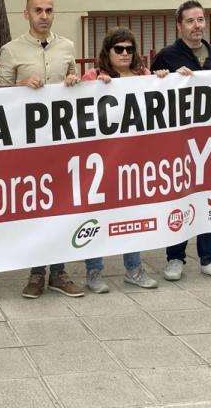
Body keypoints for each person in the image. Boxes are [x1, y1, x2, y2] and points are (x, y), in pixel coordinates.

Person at [0, 0, 85, 299]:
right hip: (28, 143)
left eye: (49, 10)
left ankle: (58, 272)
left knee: (61, 205)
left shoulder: (67, 46)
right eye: (38, 10)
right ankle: (36, 272)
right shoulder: (11, 50)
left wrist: (73, 81)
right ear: (27, 14)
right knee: (35, 206)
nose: (44, 16)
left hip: (60, 141)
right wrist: (19, 85)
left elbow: (74, 81)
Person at [150, 0, 211, 282]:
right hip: (178, 143)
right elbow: (150, 93)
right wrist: (163, 77)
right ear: (179, 26)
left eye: (200, 20)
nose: (197, 26)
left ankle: (210, 258)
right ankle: (175, 257)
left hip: (208, 142)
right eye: (190, 21)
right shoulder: (167, 56)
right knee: (179, 197)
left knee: (207, 197)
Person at [80, 28, 165, 292]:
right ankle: (94, 272)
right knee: (96, 214)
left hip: (134, 160)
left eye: (130, 49)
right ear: (108, 52)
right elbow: (77, 106)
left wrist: (167, 79)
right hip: (102, 159)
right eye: (119, 49)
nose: (125, 53)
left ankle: (134, 269)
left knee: (132, 215)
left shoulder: (144, 76)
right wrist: (90, 86)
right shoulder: (93, 76)